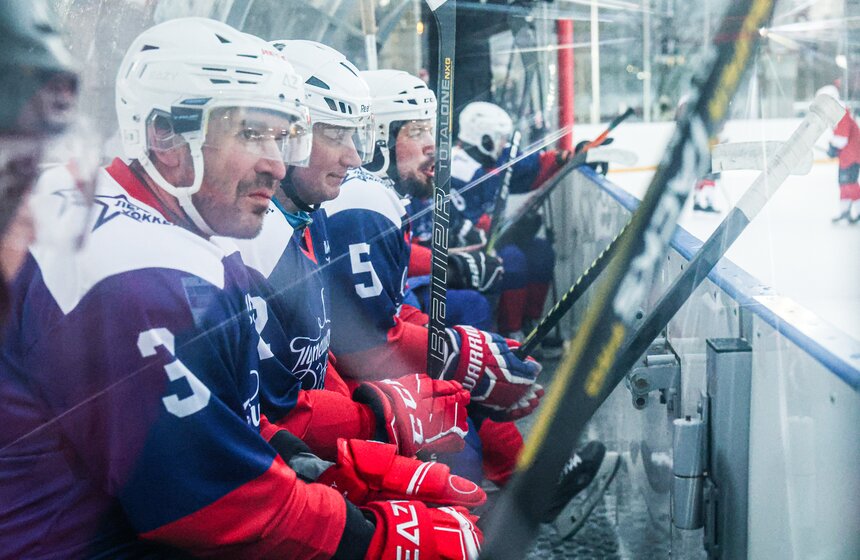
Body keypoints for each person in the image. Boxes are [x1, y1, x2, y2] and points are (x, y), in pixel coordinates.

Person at [0, 18, 482, 559]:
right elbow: (213, 509)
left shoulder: (136, 210)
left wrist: (317, 466)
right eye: (250, 134)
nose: (277, 165)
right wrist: (377, 537)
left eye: (282, 136)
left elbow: (220, 424)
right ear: (163, 133)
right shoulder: (141, 278)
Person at [229, 38, 474, 465]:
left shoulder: (311, 213)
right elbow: (273, 416)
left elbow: (318, 360)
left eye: (356, 134)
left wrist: (376, 411)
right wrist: (377, 417)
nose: (356, 156)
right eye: (335, 133)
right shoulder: (245, 248)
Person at [822, 85, 860, 224]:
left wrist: (833, 147)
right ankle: (845, 211)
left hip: (852, 156)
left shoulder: (842, 114)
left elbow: (842, 138)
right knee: (844, 184)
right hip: (846, 157)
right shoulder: (837, 115)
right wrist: (834, 149)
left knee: (850, 183)